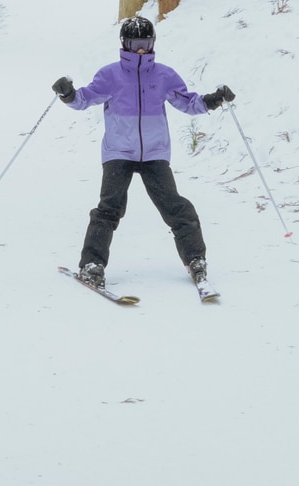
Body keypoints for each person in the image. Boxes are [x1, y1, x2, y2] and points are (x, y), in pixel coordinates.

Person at [51, 16, 235, 290]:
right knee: (109, 209)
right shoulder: (110, 75)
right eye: (135, 43)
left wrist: (212, 100)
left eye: (145, 43)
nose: (140, 49)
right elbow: (84, 99)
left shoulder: (164, 75)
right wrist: (68, 94)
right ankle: (92, 265)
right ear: (124, 43)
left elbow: (188, 103)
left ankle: (195, 260)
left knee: (175, 207)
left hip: (154, 152)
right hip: (118, 152)